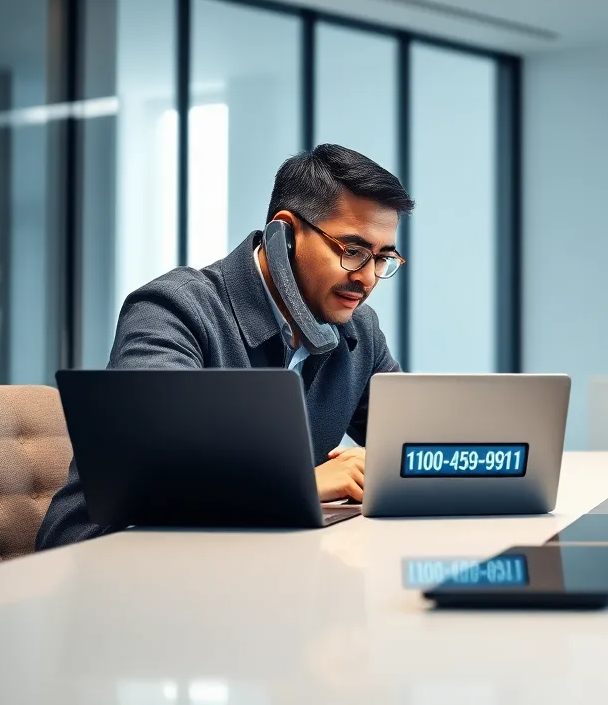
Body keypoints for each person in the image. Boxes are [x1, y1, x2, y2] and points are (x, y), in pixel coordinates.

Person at [37, 144, 412, 549]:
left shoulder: (358, 330)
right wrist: (300, 482)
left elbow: (416, 441)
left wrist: (381, 465)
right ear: (285, 233)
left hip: (248, 561)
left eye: (382, 258)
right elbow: (155, 472)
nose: (368, 278)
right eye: (352, 251)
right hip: (112, 553)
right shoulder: (174, 309)